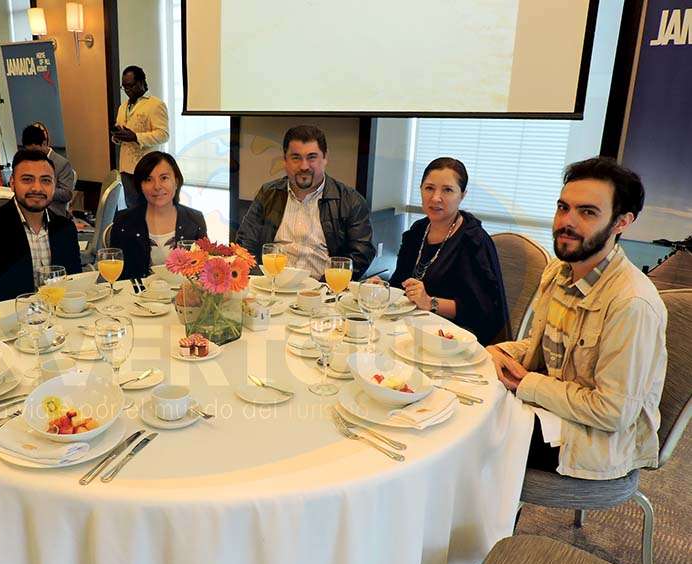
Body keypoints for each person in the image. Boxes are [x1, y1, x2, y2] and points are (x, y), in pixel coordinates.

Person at [488, 157, 667, 480]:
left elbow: (612, 412)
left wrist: (528, 383)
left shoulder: (632, 303)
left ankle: (484, 531)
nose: (566, 222)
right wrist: (501, 353)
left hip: (593, 439)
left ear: (621, 222)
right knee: (464, 406)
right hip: (553, 407)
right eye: (563, 207)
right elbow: (548, 348)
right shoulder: (560, 271)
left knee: (476, 441)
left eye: (587, 212)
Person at [388, 157, 509, 345]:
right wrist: (382, 289)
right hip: (411, 329)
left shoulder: (474, 241)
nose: (436, 198)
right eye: (429, 188)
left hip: (456, 339)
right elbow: (399, 284)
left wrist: (430, 302)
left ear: (462, 195)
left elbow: (483, 312)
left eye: (447, 190)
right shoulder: (416, 232)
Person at [235, 125, 376, 281]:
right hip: (272, 287)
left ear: (325, 158)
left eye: (312, 157)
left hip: (322, 292)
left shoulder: (351, 201)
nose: (304, 166)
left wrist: (322, 288)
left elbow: (360, 254)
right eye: (296, 157)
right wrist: (260, 281)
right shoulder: (268, 193)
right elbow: (245, 245)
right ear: (285, 160)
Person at [0, 149, 82, 308]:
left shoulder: (64, 228)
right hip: (8, 321)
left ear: (55, 185)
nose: (37, 188)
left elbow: (74, 284)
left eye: (46, 180)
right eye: (27, 180)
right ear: (12, 183)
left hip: (59, 318)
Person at [109, 151, 207, 280]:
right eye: (148, 180)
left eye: (164, 178)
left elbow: (204, 269)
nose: (157, 186)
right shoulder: (124, 221)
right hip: (135, 296)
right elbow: (117, 274)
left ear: (176, 181)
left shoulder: (195, 219)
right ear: (140, 186)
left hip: (183, 296)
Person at [112, 65, 169, 209]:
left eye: (130, 86)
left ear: (141, 82)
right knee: (132, 208)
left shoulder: (155, 105)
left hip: (147, 167)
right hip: (126, 167)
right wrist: (118, 137)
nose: (127, 90)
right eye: (124, 87)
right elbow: (122, 132)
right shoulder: (123, 106)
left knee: (149, 208)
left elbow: (163, 135)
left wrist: (136, 137)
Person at [21, 123, 77, 219]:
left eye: (35, 151)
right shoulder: (25, 161)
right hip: (29, 209)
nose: (32, 155)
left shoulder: (61, 164)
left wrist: (43, 190)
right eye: (29, 151)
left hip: (52, 211)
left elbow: (67, 194)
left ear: (44, 144)